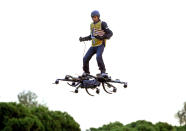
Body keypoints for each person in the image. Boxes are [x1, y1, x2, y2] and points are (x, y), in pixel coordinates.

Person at [79, 10, 113, 77]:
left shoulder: (102, 24)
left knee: (98, 57)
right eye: (93, 17)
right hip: (93, 46)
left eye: (95, 17)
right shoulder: (91, 25)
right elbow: (91, 36)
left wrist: (102, 37)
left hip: (100, 45)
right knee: (85, 58)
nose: (94, 18)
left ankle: (103, 72)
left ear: (98, 17)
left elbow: (110, 33)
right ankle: (86, 73)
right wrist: (83, 39)